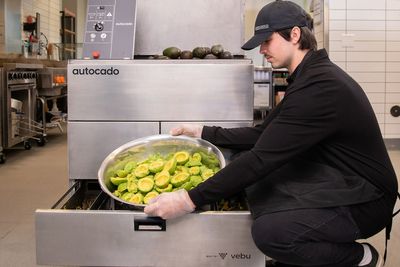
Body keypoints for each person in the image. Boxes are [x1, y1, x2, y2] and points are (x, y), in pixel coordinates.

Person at [144, 1, 399, 266]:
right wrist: (203, 131)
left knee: (272, 233)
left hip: (367, 200)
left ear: (295, 35)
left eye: (267, 40)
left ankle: (362, 257)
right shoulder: (307, 77)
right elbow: (263, 134)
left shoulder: (321, 87)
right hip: (334, 175)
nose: (262, 50)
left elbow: (260, 158)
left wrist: (188, 199)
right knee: (257, 181)